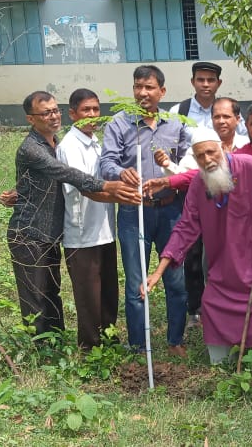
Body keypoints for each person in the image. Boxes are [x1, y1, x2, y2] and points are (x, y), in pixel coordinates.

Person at [145, 129, 252, 382]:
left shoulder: (251, 167)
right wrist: (159, 271)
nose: (207, 160)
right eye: (200, 156)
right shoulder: (198, 183)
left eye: (211, 152)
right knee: (212, 304)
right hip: (224, 266)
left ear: (223, 149)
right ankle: (221, 370)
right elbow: (186, 226)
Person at [8, 91, 140, 338]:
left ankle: (55, 342)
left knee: (51, 291)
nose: (53, 116)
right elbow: (68, 174)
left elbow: (43, 182)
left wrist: (17, 192)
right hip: (29, 232)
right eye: (46, 113)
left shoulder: (57, 143)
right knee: (35, 295)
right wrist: (109, 187)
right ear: (30, 119)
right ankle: (41, 348)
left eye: (55, 110)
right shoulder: (34, 148)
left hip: (52, 230)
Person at [98, 65, 191, 356]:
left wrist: (171, 169)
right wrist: (121, 172)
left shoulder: (177, 125)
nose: (142, 93)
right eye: (138, 86)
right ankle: (139, 345)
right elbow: (107, 163)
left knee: (176, 278)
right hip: (133, 211)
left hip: (170, 210)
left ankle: (175, 340)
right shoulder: (119, 123)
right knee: (136, 281)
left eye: (149, 87)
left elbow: (188, 167)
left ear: (162, 91)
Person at [152, 97, 248, 327]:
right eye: (217, 116)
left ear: (237, 119)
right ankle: (218, 324)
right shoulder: (197, 148)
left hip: (245, 230)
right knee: (213, 274)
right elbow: (188, 176)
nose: (222, 121)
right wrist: (167, 168)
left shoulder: (247, 150)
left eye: (227, 116)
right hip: (213, 230)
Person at [56, 89, 120, 349]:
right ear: (72, 114)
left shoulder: (97, 142)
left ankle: (110, 339)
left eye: (95, 109)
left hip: (105, 230)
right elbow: (85, 188)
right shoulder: (69, 147)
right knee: (88, 295)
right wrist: (123, 196)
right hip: (81, 235)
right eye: (86, 110)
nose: (92, 115)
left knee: (108, 291)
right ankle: (90, 348)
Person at [169, 61, 247, 136]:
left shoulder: (230, 110)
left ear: (219, 83)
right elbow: (170, 142)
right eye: (200, 80)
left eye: (211, 80)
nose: (205, 84)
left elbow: (244, 138)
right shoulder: (177, 112)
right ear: (193, 82)